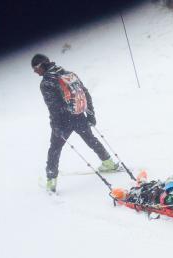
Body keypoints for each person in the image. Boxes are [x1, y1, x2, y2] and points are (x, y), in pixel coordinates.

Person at [32, 54, 119, 192]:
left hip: (63, 122)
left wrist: (56, 128)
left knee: (54, 149)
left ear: (41, 66)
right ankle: (108, 163)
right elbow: (85, 93)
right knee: (91, 139)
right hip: (79, 115)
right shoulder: (69, 74)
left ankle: (51, 182)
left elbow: (53, 108)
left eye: (35, 69)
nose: (35, 72)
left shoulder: (46, 83)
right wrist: (90, 114)